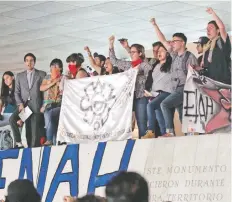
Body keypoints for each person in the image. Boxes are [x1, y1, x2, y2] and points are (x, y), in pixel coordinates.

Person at [150, 18, 198, 137]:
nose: (172, 43)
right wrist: (155, 25)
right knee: (182, 114)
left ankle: (170, 132)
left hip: (185, 88)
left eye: (175, 41)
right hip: (175, 89)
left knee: (164, 104)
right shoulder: (174, 55)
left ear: (182, 42)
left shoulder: (190, 57)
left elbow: (196, 75)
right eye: (172, 41)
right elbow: (162, 40)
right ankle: (189, 136)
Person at [109, 35, 152, 138]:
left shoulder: (145, 65)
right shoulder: (128, 65)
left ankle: (143, 142)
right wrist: (111, 45)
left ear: (140, 53)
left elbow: (150, 77)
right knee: (124, 121)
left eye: (133, 52)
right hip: (128, 97)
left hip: (141, 96)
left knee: (141, 121)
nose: (131, 54)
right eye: (130, 52)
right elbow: (114, 61)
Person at [9, 53, 46, 148]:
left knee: (33, 132)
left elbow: (45, 92)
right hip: (25, 106)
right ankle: (18, 142)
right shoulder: (20, 76)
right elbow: (16, 92)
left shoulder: (41, 74)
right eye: (27, 60)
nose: (29, 62)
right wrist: (20, 103)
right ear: (25, 62)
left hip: (36, 106)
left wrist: (44, 105)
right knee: (12, 119)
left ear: (34, 62)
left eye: (31, 60)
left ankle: (32, 151)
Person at [143, 44, 173, 139]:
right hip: (156, 94)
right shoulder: (155, 65)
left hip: (167, 92)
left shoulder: (171, 64)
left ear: (167, 53)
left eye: (161, 51)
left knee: (150, 106)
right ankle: (165, 133)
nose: (159, 53)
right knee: (160, 117)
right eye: (158, 51)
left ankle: (151, 130)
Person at [195, 8, 231, 84]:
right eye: (207, 29)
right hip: (211, 84)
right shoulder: (207, 49)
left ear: (218, 31)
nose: (208, 30)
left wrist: (213, 13)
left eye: (211, 28)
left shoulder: (221, 43)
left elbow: (222, 27)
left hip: (224, 84)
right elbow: (207, 68)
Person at [40, 58, 64, 146]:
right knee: (51, 121)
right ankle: (52, 142)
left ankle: (50, 140)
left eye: (56, 66)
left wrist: (59, 83)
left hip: (59, 104)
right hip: (47, 104)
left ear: (60, 68)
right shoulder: (47, 77)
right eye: (52, 65)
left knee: (50, 116)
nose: (53, 68)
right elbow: (42, 88)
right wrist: (53, 82)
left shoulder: (63, 78)